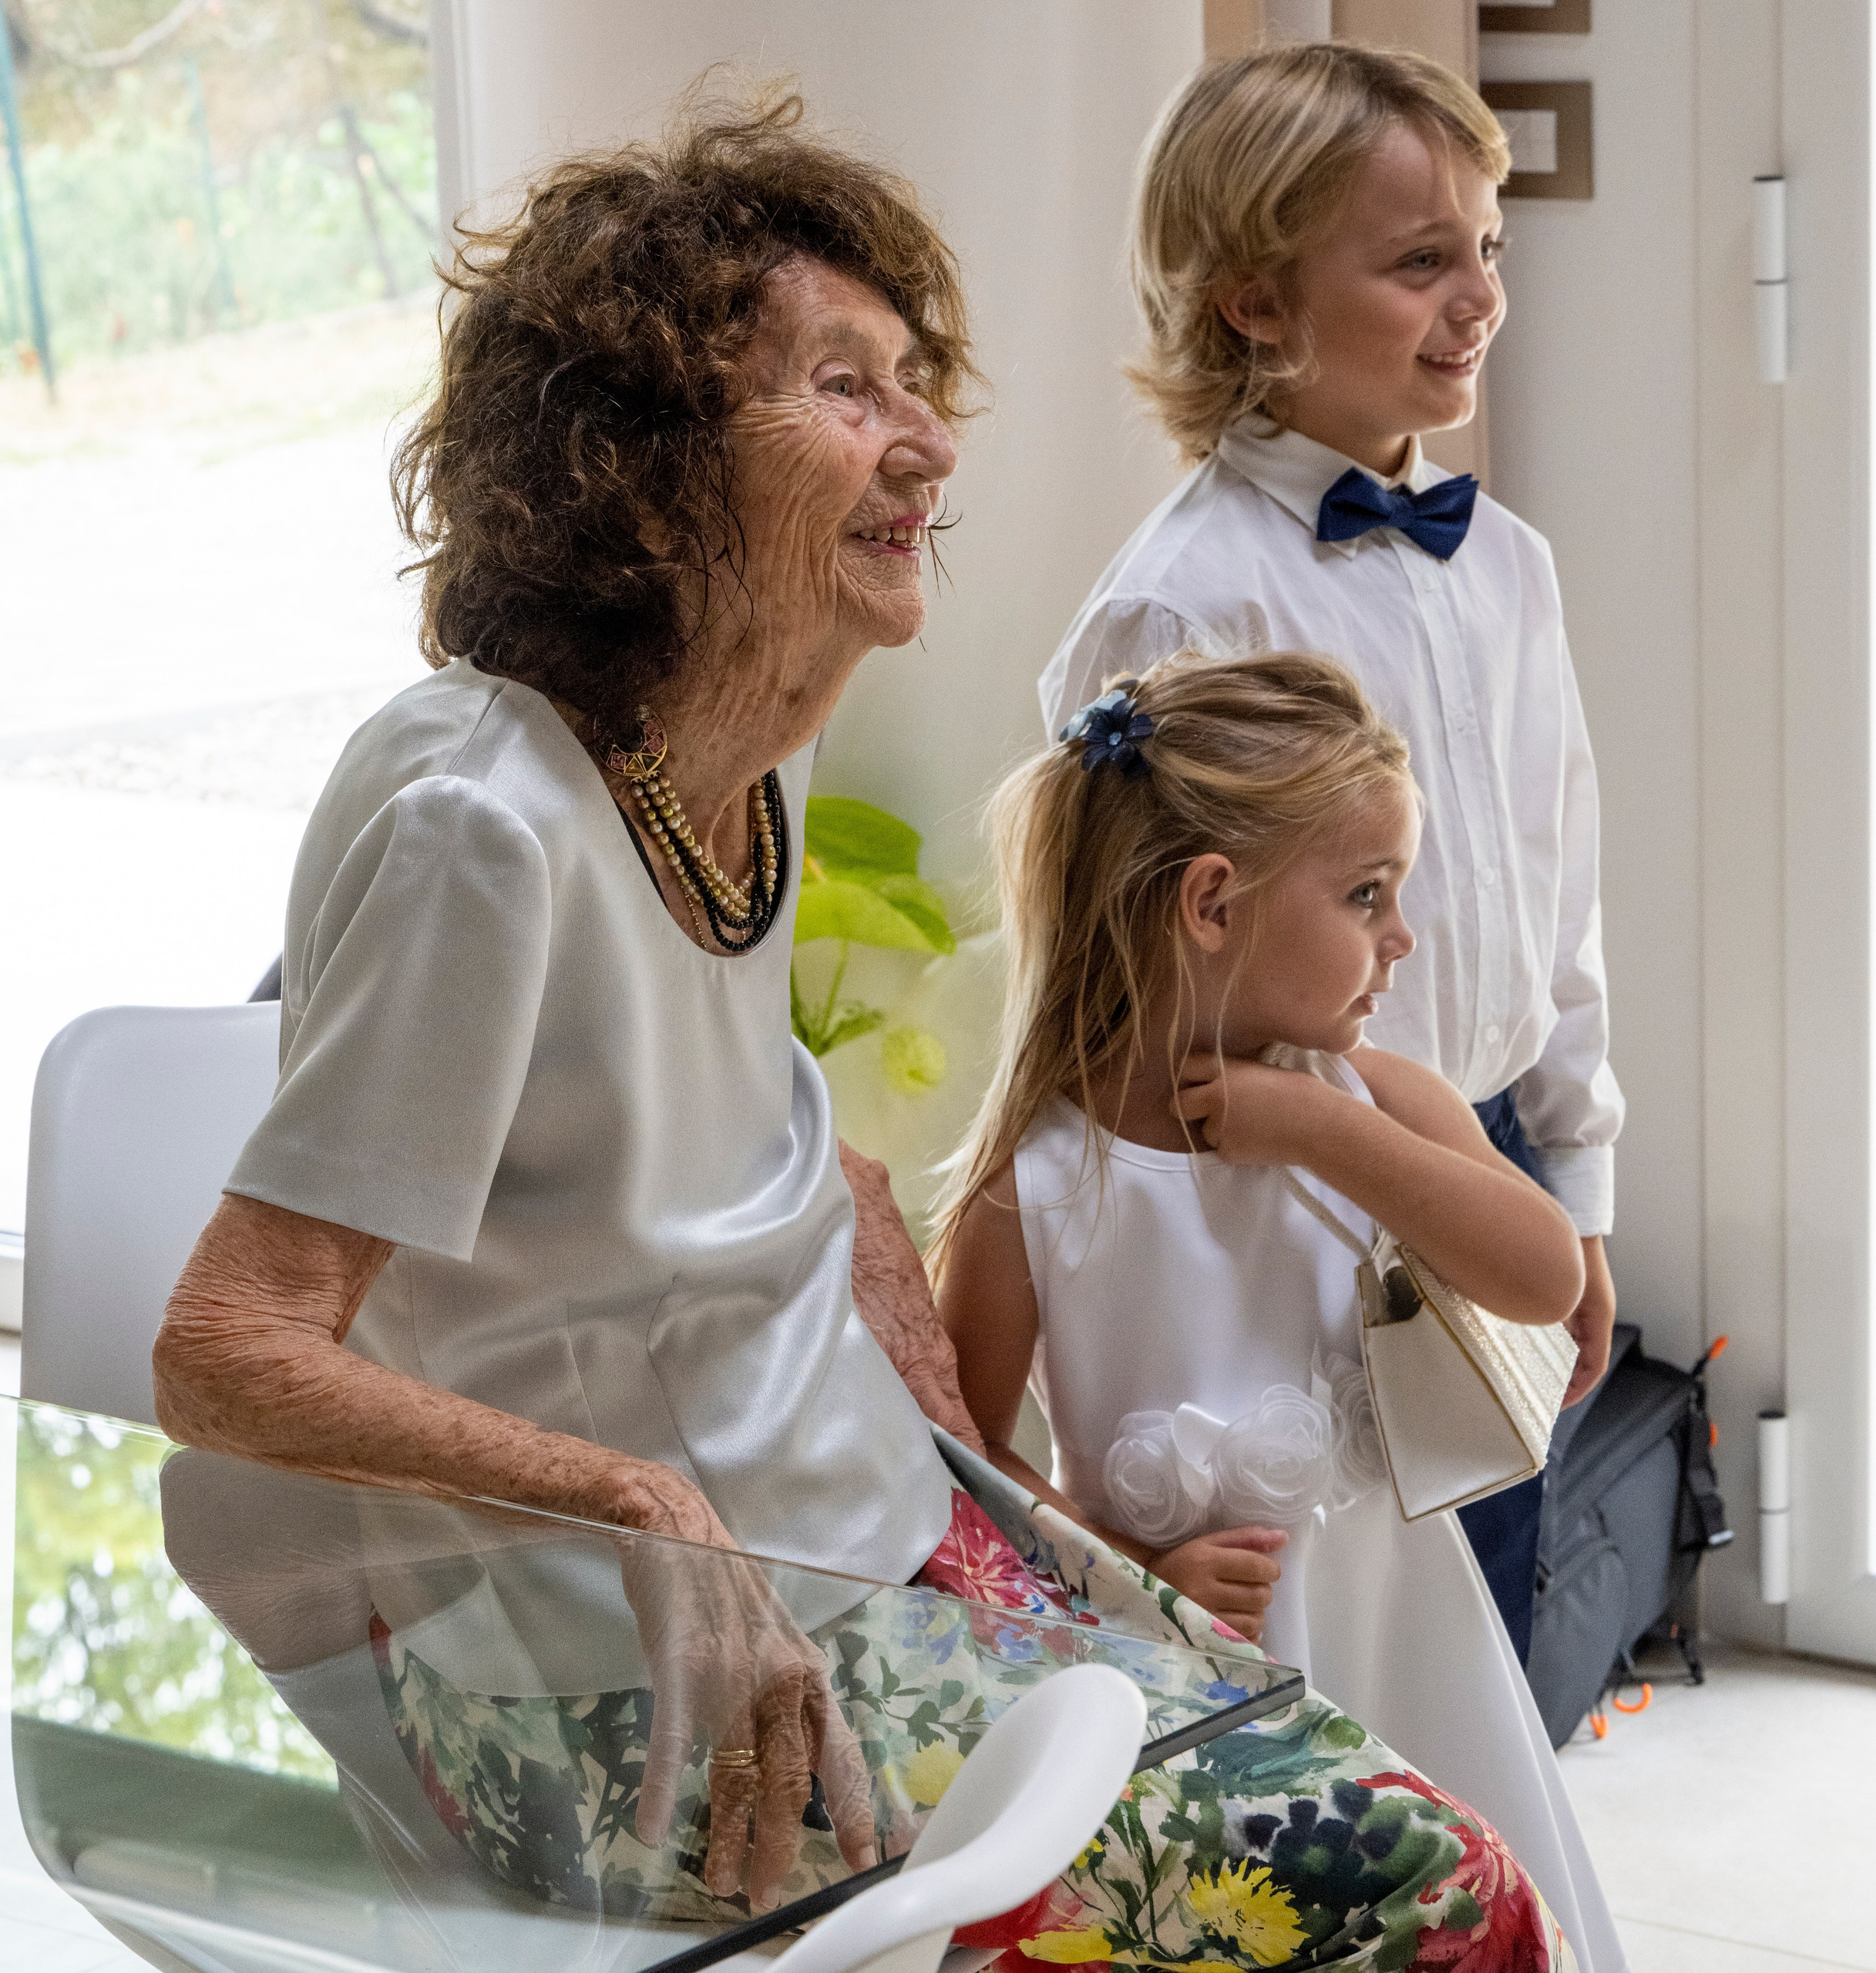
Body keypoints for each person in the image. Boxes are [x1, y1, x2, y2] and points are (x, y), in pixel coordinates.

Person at [153, 85, 1578, 1969]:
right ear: (645, 460)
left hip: (856, 1533)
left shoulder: (735, 752)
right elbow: (224, 1349)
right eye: (842, 387)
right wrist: (639, 1502)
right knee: (1442, 1903)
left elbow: (775, 1137)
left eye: (914, 382)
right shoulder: (480, 828)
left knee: (1398, 1817)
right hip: (612, 1653)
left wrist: (991, 1467)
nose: (922, 444)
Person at [1037, 42, 1625, 1667]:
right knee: (1317, 1635)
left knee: (1473, 1616)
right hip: (1274, 1168)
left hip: (1476, 1152)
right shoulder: (1178, 601)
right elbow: (1119, 948)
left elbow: (1554, 891)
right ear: (1251, 301)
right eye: (1418, 259)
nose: (1476, 297)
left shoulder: (1504, 564)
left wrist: (1567, 1180)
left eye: (1485, 249)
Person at [935, 650, 1622, 1973]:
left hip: (1401, 1634)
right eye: (1368, 896)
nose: (1400, 937)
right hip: (1198, 1665)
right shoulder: (1038, 1179)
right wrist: (1130, 1574)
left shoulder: (1371, 1102)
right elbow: (972, 1458)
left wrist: (1318, 1128)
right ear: (1211, 902)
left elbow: (1546, 1276)